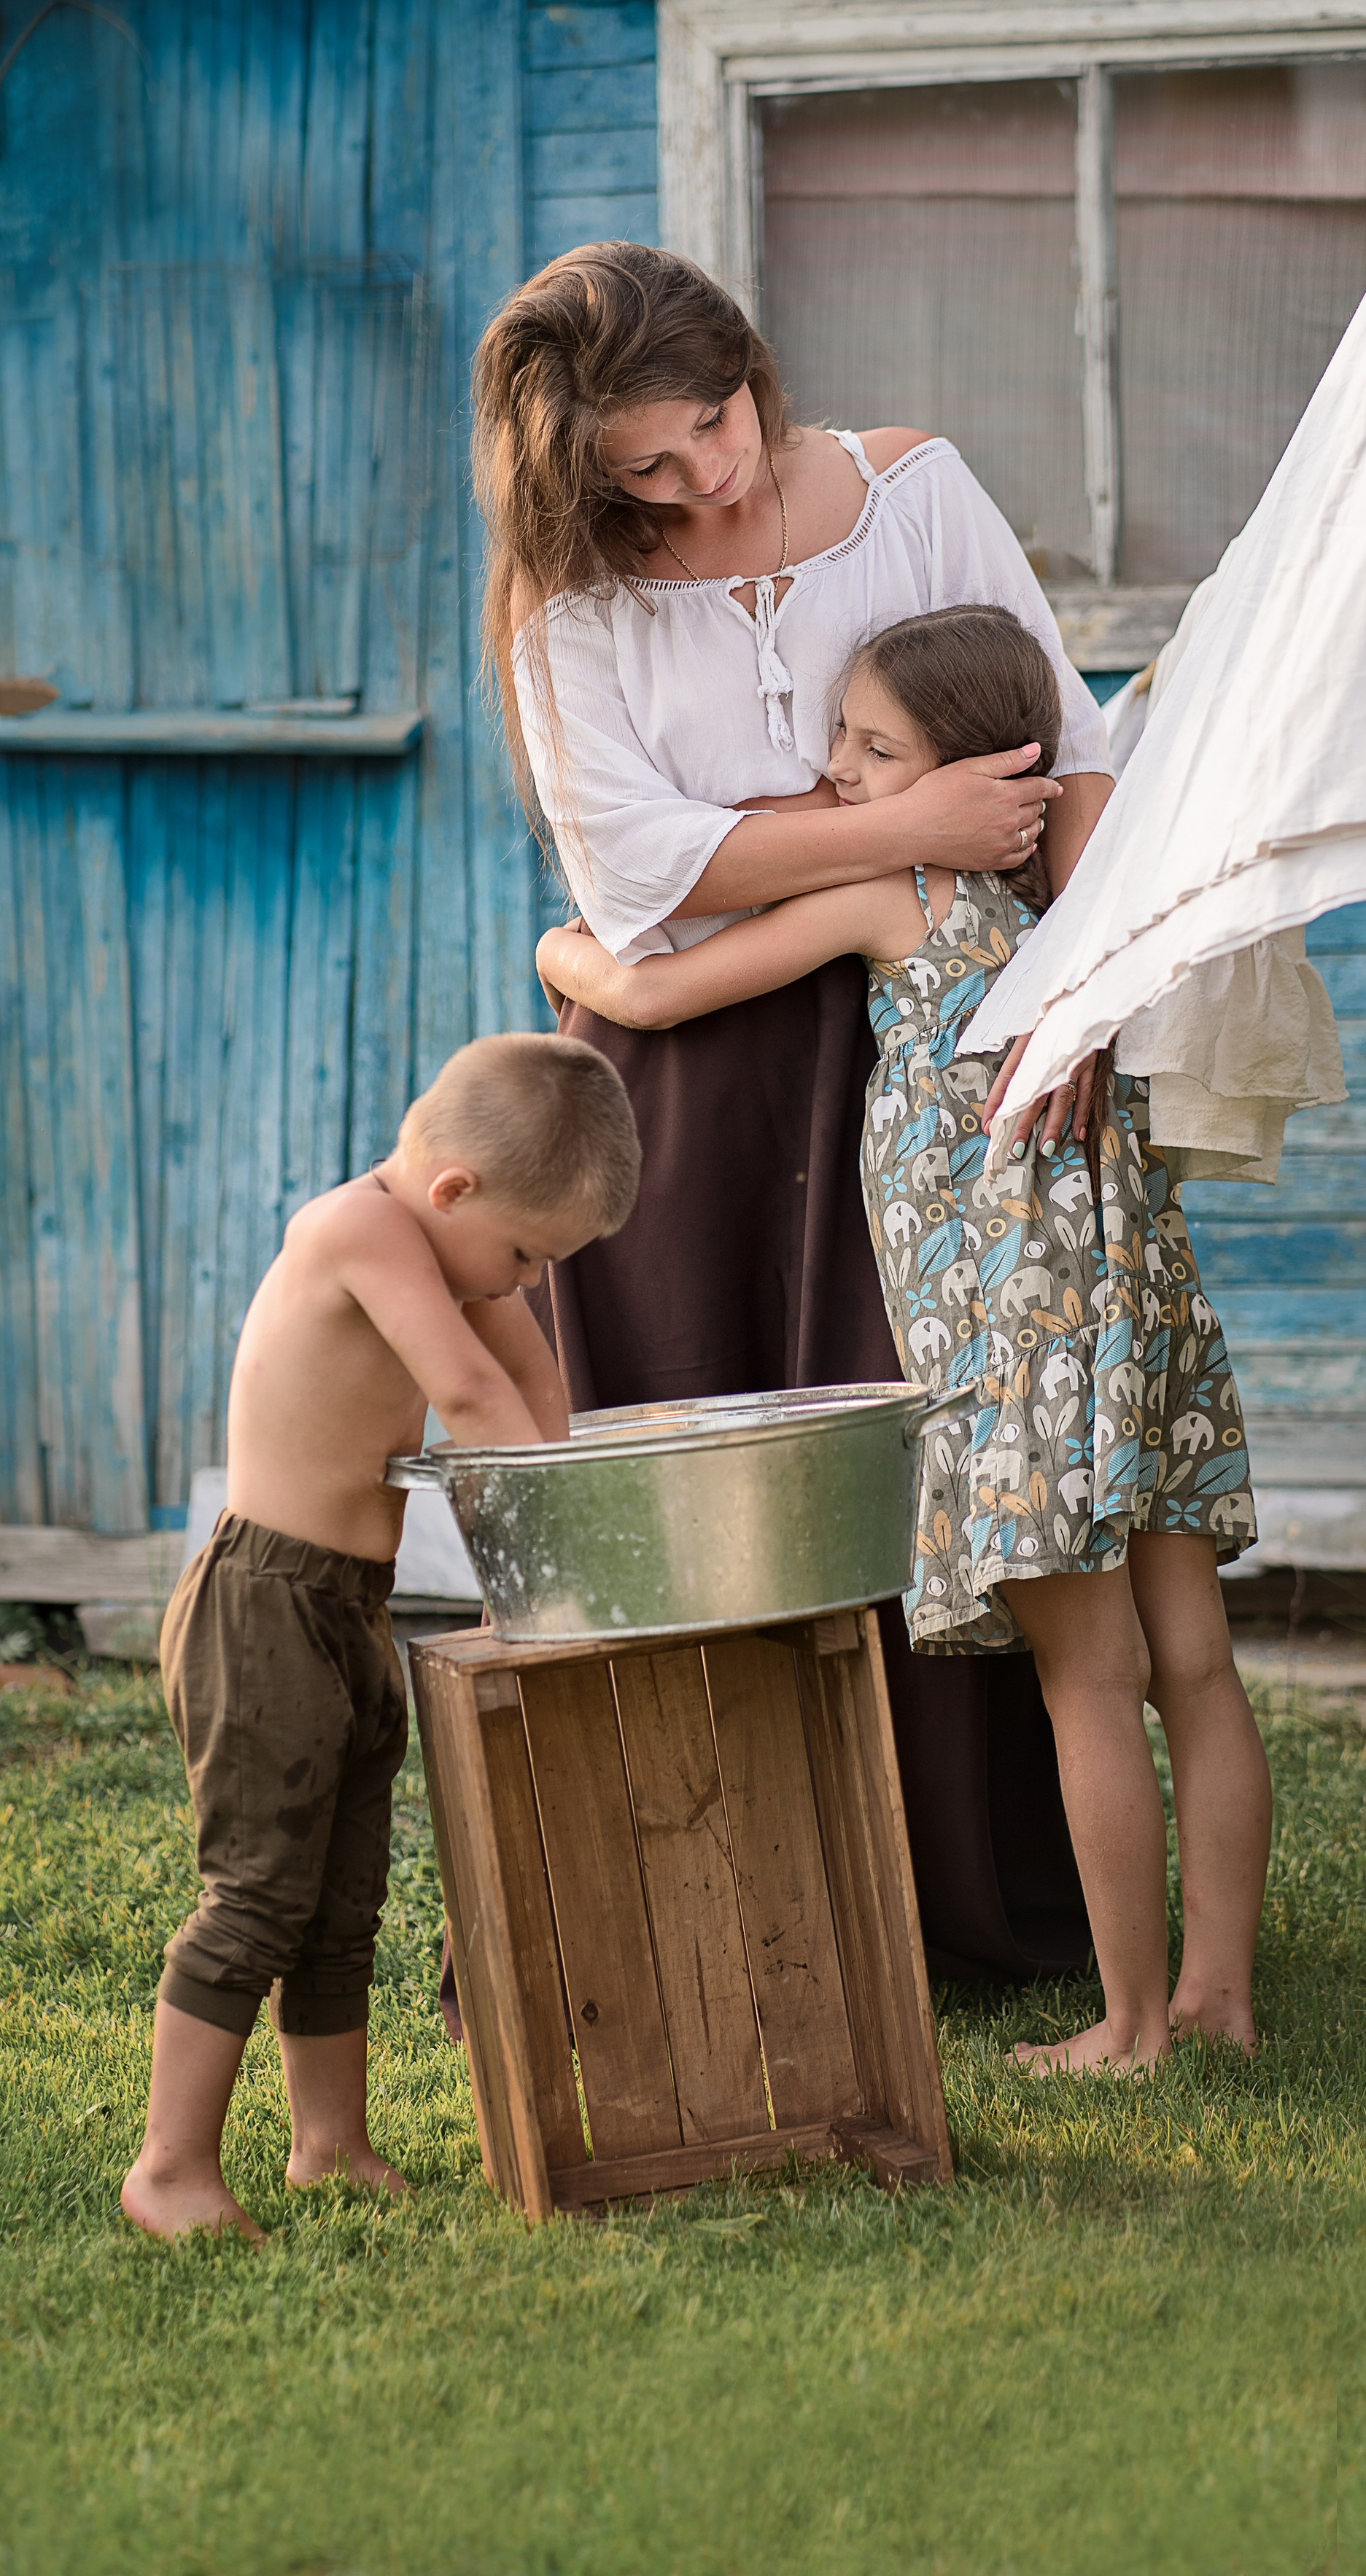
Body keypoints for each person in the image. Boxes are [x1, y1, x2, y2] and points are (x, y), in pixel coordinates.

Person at [474, 240, 1115, 1984]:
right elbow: (637, 876)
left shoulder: (913, 495)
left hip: (920, 1051)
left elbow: (1062, 752)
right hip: (673, 1088)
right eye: (646, 474)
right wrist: (908, 829)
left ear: (748, 367)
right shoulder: (571, 600)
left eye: (710, 429)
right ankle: (708, 1904)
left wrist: (1075, 1005)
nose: (700, 482)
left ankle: (941, 1905)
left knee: (915, 1467)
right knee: (701, 1470)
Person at [538, 607, 1270, 2074]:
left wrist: (565, 941)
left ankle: (1129, 2026)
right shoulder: (1094, 919)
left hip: (1016, 1330)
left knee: (1085, 1672)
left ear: (977, 773)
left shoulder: (904, 892)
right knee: (1191, 1660)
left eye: (874, 748)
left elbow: (662, 983)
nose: (839, 772)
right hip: (1137, 1306)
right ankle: (1217, 1997)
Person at [121, 1035, 640, 2240]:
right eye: (523, 1254)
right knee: (257, 1897)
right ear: (454, 1188)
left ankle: (329, 2144)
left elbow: (535, 1390)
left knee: (342, 1897)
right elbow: (467, 1395)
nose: (522, 1279)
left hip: (351, 1606)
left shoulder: (457, 1249)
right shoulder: (354, 1232)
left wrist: (560, 1543)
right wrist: (545, 1578)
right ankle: (170, 2169)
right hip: (262, 1609)